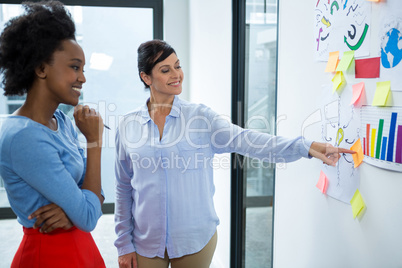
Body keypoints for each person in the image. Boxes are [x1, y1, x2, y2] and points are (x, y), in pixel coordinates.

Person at [114, 39, 355, 268]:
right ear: (146, 77)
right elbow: (124, 187)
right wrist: (123, 243)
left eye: (177, 66)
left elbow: (249, 141)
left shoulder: (200, 118)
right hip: (145, 242)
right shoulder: (128, 125)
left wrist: (305, 146)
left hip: (195, 241)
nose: (176, 75)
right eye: (165, 70)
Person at [0, 1, 105, 267]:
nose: (82, 78)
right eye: (74, 67)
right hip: (50, 254)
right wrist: (94, 142)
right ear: (41, 68)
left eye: (83, 69)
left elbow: (94, 195)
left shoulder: (61, 120)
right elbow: (90, 215)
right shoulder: (23, 137)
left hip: (79, 246)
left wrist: (74, 212)